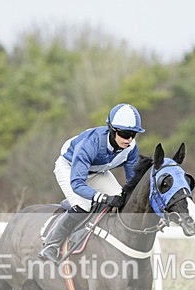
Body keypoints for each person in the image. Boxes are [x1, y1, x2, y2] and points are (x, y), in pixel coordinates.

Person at [39, 103, 145, 262]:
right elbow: (77, 183)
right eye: (124, 133)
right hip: (69, 169)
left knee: (121, 200)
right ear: (112, 129)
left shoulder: (131, 148)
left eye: (133, 134)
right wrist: (102, 198)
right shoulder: (91, 143)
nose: (129, 139)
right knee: (84, 205)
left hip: (97, 172)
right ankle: (51, 244)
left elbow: (132, 182)